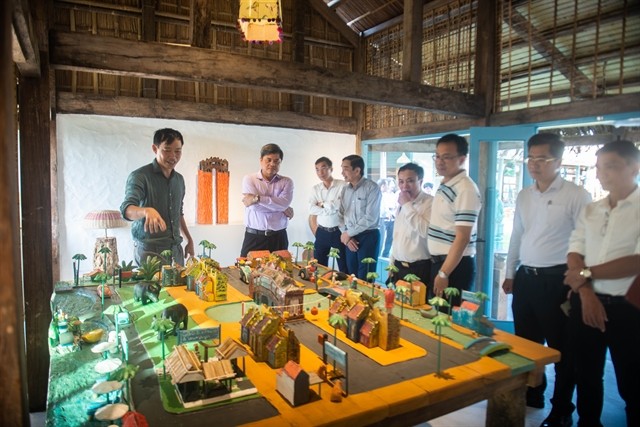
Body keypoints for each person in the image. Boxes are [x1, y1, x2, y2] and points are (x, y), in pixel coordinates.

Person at [502, 133, 591, 425]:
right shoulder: (525, 195)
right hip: (527, 279)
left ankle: (562, 408)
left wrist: (579, 284)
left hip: (558, 281)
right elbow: (517, 234)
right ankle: (534, 392)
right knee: (527, 344)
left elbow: (586, 242)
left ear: (558, 161)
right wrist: (510, 272)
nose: (534, 165)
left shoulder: (576, 195)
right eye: (531, 158)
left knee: (562, 349)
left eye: (542, 159)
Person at [564, 140, 640, 427]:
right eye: (598, 167)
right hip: (587, 301)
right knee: (586, 375)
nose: (601, 173)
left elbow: (637, 261)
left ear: (634, 167)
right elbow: (574, 250)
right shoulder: (592, 209)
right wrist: (586, 292)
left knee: (632, 381)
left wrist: (584, 275)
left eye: (611, 166)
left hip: (629, 308)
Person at [120, 128, 194, 266]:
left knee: (178, 288)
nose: (173, 156)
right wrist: (146, 211)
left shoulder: (179, 180)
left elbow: (178, 212)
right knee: (151, 288)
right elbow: (126, 210)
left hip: (176, 250)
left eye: (177, 151)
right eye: (167, 150)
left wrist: (189, 239)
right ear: (155, 148)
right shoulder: (140, 176)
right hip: (149, 252)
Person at [427, 133, 481, 308]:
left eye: (447, 157)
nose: (440, 161)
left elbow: (463, 237)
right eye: (437, 156)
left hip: (453, 267)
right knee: (436, 318)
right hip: (440, 263)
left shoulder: (466, 189)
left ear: (462, 159)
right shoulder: (446, 184)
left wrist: (443, 274)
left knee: (447, 324)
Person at [240, 143, 294, 257]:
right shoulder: (249, 179)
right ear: (261, 160)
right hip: (254, 237)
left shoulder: (287, 181)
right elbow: (254, 207)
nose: (272, 164)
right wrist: (280, 207)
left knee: (281, 273)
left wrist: (257, 198)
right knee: (247, 271)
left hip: (279, 237)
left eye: (276, 161)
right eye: (268, 160)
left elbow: (284, 203)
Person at [387, 163, 433, 292]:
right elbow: (397, 237)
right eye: (401, 182)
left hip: (419, 268)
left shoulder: (430, 203)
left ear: (421, 181)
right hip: (398, 267)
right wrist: (391, 264)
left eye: (410, 181)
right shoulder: (402, 204)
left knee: (416, 309)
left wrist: (407, 205)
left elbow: (426, 231)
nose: (404, 186)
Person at [339, 154, 382, 280]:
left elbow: (370, 217)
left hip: (368, 236)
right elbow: (340, 214)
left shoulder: (372, 188)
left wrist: (348, 233)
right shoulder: (345, 189)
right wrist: (346, 235)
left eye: (345, 169)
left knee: (366, 277)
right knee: (351, 275)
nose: (342, 173)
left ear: (357, 170)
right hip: (349, 236)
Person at [308, 157, 347, 271]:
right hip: (322, 232)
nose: (320, 172)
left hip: (338, 231)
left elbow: (339, 205)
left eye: (324, 168)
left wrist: (322, 204)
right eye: (317, 169)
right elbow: (311, 209)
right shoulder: (315, 189)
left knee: (344, 267)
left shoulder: (342, 185)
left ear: (331, 169)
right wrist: (329, 207)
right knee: (319, 267)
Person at [378, 178, 397, 258]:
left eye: (393, 184)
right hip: (383, 219)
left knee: (390, 238)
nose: (393, 186)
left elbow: (396, 206)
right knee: (381, 239)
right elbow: (383, 208)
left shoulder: (394, 195)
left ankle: (385, 254)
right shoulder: (382, 195)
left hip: (392, 218)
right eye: (391, 184)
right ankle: (378, 255)